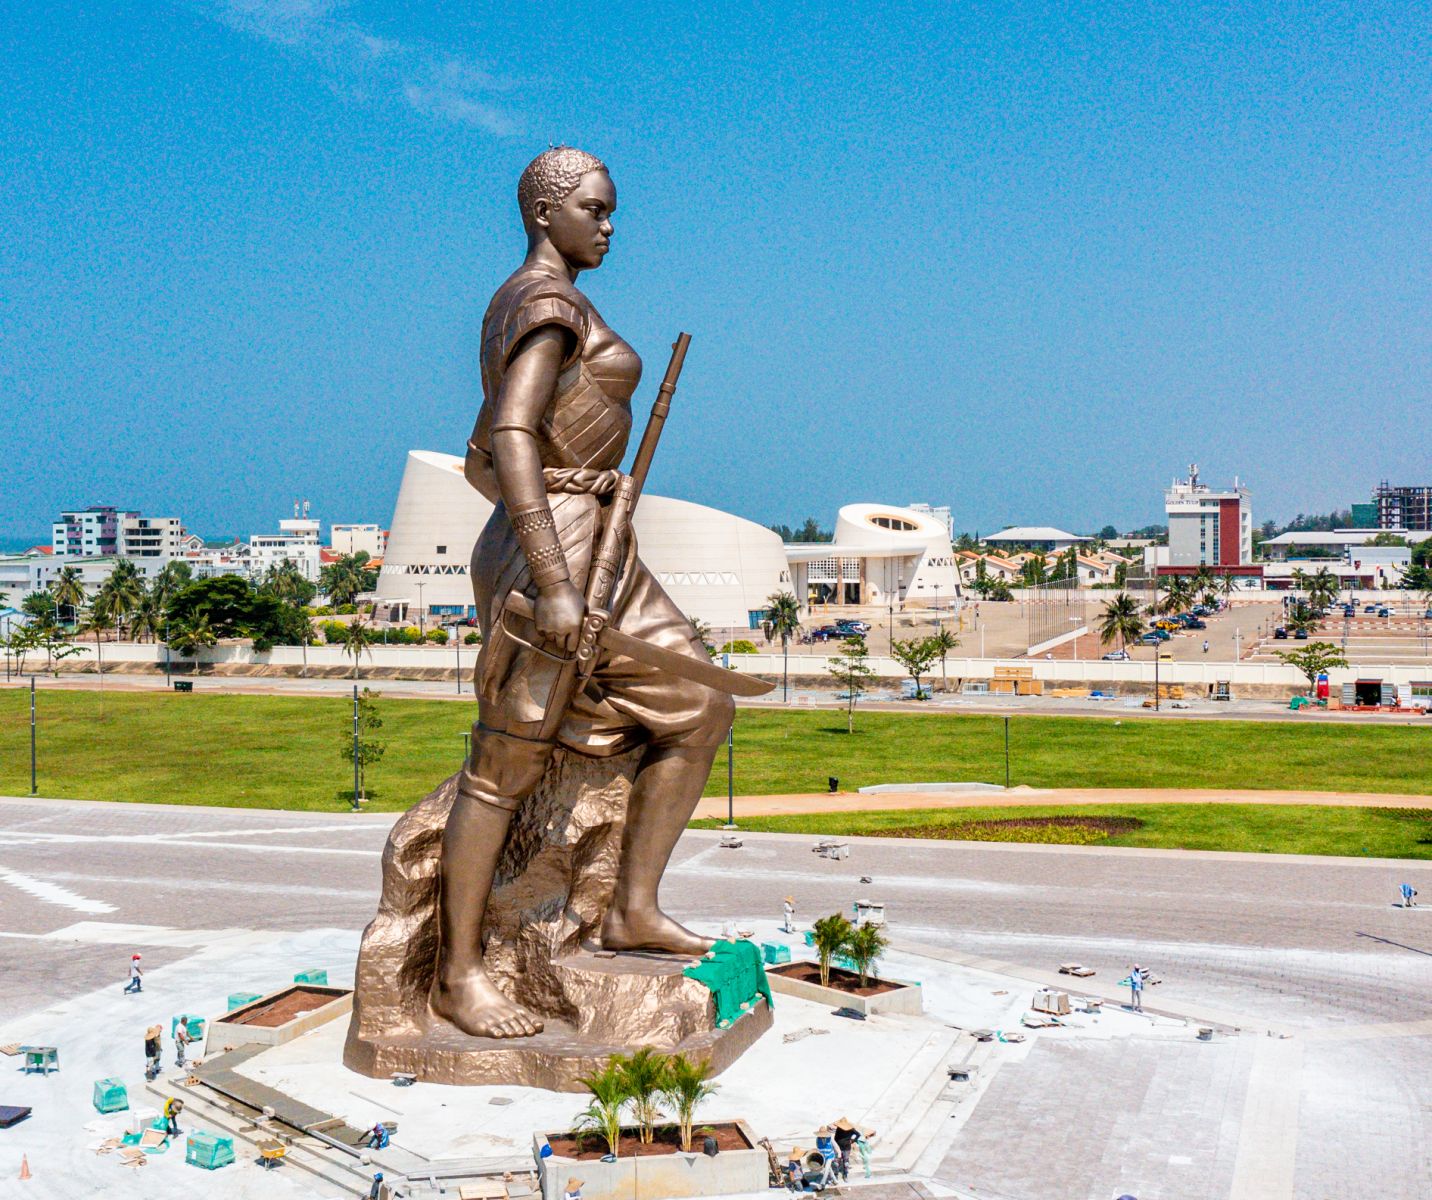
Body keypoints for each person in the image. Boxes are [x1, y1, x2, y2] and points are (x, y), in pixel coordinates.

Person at [431, 146, 740, 1040]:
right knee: (503, 767)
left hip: (599, 540)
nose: (609, 226)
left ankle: (630, 908)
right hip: (557, 555)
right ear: (545, 213)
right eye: (594, 210)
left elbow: (477, 459)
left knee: (700, 704)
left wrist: (591, 497)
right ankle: (457, 974)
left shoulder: (544, 302)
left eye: (611, 211)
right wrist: (552, 569)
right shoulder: (545, 305)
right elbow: (508, 437)